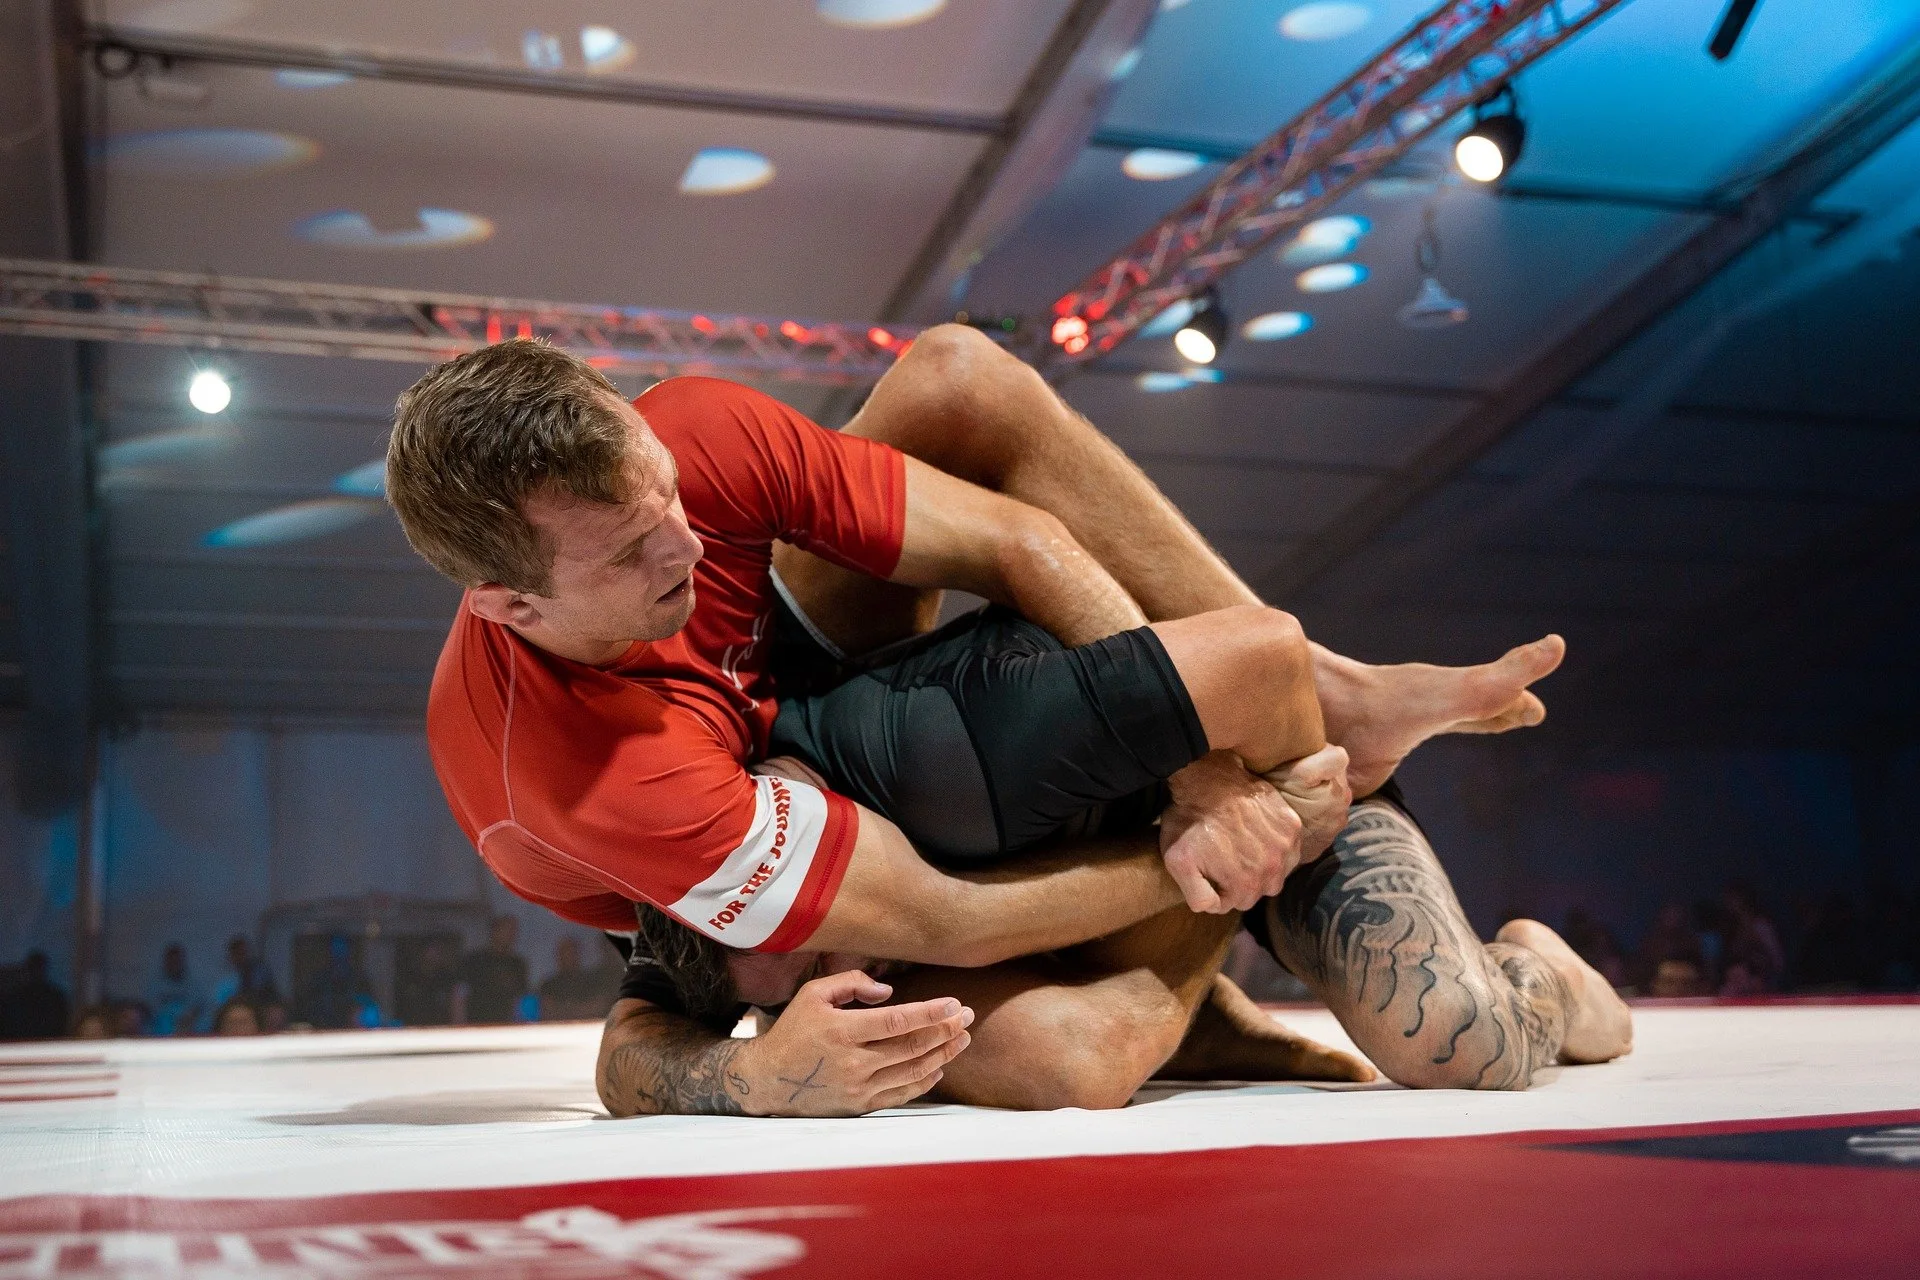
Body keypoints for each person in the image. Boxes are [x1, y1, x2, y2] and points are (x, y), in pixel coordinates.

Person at [389, 328, 1617, 1111]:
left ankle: (1329, 698)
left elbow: (1020, 536)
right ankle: (1420, 955)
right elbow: (935, 921)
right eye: (628, 550)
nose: (686, 543)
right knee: (1061, 1059)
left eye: (667, 494)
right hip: (756, 832)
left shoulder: (692, 448)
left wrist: (1205, 772)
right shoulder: (591, 780)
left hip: (819, 703)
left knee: (958, 382)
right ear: (508, 603)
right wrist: (751, 1077)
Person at [455, 915, 530, 1024]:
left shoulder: (517, 964)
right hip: (476, 1023)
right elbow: (460, 994)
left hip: (505, 1025)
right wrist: (459, 1026)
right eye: (507, 930)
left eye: (514, 931)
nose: (511, 935)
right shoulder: (475, 960)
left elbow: (519, 1000)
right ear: (495, 930)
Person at [202, 935, 277, 1032]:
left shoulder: (260, 973)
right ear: (231, 956)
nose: (242, 957)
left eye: (243, 953)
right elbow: (216, 1009)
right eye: (237, 953)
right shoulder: (225, 981)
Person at [0, 951, 70, 1042]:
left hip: (49, 1047)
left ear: (44, 969)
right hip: (16, 1047)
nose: (36, 972)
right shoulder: (13, 998)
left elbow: (61, 1027)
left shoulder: (56, 998)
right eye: (32, 968)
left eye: (38, 967)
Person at [145, 943, 203, 1037]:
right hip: (159, 1033)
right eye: (171, 961)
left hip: (188, 1032)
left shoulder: (194, 985)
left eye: (177, 961)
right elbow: (150, 1010)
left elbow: (197, 1009)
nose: (174, 964)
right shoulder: (155, 985)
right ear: (166, 962)